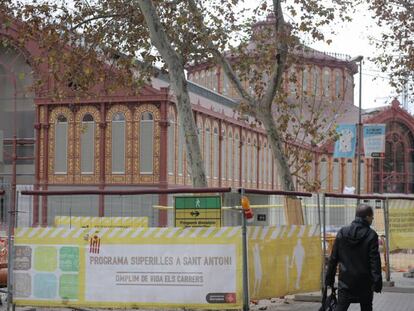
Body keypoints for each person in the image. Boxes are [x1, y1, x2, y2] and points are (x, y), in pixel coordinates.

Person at [325, 204, 382, 311]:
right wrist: (377, 282)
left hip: (345, 283)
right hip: (365, 284)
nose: (373, 218)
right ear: (367, 217)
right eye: (371, 216)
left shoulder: (342, 232)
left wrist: (329, 280)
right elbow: (374, 261)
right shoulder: (371, 235)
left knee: (341, 308)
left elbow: (333, 258)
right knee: (366, 308)